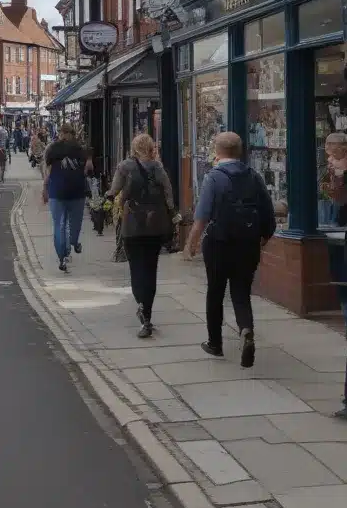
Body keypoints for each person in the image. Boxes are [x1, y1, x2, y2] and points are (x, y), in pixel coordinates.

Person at [187, 131, 276, 368]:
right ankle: (246, 329)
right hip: (248, 244)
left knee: (215, 291)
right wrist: (264, 237)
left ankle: (215, 343)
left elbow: (202, 216)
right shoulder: (254, 176)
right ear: (239, 151)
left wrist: (191, 243)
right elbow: (268, 211)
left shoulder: (213, 178)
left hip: (218, 243)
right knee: (241, 292)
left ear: (217, 151)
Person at [109, 133, 176, 338]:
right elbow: (169, 196)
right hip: (155, 225)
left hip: (132, 224)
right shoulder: (158, 168)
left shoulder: (124, 167)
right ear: (150, 148)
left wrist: (112, 201)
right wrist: (171, 215)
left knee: (136, 268)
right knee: (151, 268)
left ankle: (141, 308)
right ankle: (147, 313)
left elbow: (113, 191)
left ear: (134, 147)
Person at [321, 133, 347, 418]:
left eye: (333, 145)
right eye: (327, 145)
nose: (328, 149)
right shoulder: (328, 168)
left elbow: (339, 198)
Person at [41, 122, 93, 272]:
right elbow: (88, 170)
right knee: (74, 225)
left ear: (60, 134)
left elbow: (48, 171)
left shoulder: (52, 150)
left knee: (59, 225)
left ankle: (62, 257)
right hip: (76, 192)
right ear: (72, 134)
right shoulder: (81, 150)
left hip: (56, 192)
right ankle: (74, 244)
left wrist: (44, 189)